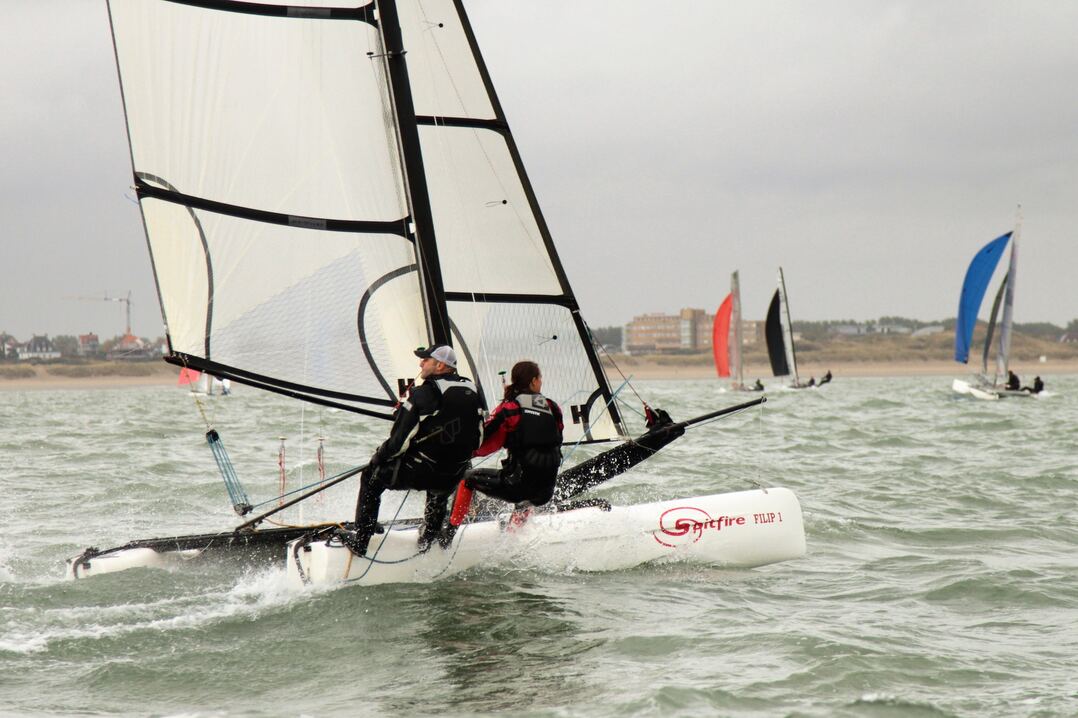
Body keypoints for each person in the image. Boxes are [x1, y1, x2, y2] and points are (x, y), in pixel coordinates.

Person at [345, 344, 484, 556]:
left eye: (425, 360)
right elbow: (479, 439)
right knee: (440, 487)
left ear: (440, 365)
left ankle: (361, 540)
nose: (421, 364)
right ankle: (428, 539)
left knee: (370, 477)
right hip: (452, 475)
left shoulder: (424, 393)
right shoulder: (473, 391)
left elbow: (398, 444)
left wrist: (378, 457)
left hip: (421, 472)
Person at [464, 361, 564, 508]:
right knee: (529, 494)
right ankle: (519, 521)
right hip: (546, 491)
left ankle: (452, 523)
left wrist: (464, 454)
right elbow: (557, 438)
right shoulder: (553, 407)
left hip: (517, 487)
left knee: (465, 478)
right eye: (540, 378)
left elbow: (485, 443)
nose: (541, 382)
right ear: (533, 381)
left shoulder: (510, 409)